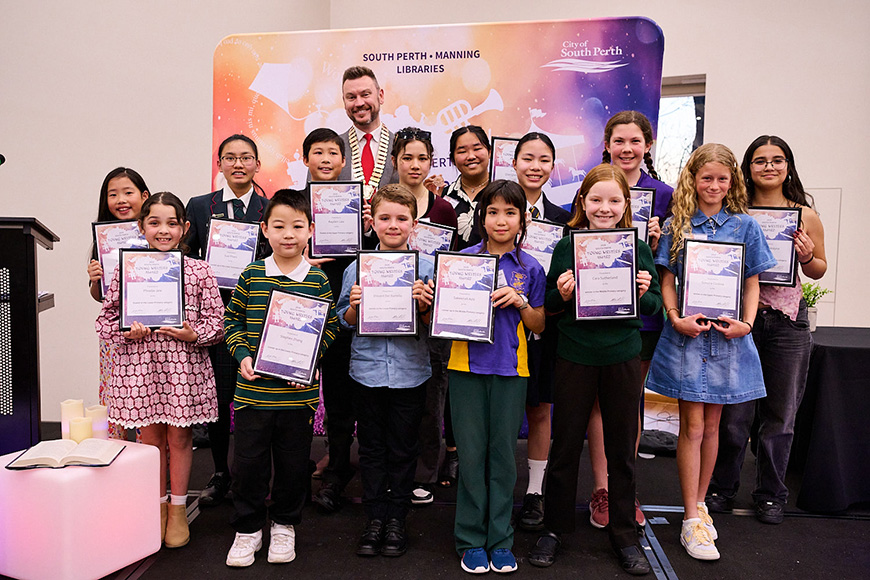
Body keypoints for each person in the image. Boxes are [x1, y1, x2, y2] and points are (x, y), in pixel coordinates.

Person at [645, 143, 776, 560]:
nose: (714, 185)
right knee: (692, 427)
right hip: (688, 337)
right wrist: (672, 315)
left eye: (722, 178)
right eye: (707, 178)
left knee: (714, 425)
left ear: (732, 180)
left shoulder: (745, 227)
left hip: (728, 339)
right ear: (693, 179)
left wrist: (748, 323)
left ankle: (701, 505)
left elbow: (753, 282)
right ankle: (688, 518)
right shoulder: (676, 225)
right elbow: (666, 278)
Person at [527, 164, 660, 576]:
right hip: (575, 355)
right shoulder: (567, 245)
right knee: (565, 445)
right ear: (582, 202)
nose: (605, 208)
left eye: (614, 201)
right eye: (597, 200)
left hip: (621, 355)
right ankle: (555, 528)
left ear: (626, 206)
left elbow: (655, 304)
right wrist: (562, 293)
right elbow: (548, 301)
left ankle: (623, 534)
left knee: (622, 449)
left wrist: (642, 290)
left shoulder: (636, 247)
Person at [708, 136, 827, 524]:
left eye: (777, 160)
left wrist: (808, 256)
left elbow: (819, 268)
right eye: (760, 161)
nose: (769, 167)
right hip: (742, 317)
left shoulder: (804, 214)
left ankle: (771, 495)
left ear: (788, 167)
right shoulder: (734, 211)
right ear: (749, 167)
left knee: (780, 416)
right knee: (735, 416)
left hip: (788, 322)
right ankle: (722, 489)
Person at [96, 192, 224, 548]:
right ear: (141, 226)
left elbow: (218, 323)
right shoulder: (127, 268)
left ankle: (180, 509)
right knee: (150, 440)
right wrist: (126, 329)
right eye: (154, 222)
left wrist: (193, 332)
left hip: (183, 367)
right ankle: (157, 507)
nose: (163, 230)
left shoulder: (200, 270)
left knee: (180, 438)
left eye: (172, 223)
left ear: (184, 227)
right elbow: (105, 319)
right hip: (141, 368)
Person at [223, 189, 339, 567]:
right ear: (264, 229)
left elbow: (331, 328)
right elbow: (232, 323)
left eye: (297, 226)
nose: (288, 234)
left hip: (296, 397)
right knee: (249, 465)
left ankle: (285, 525)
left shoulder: (317, 280)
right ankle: (248, 529)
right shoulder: (252, 275)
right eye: (279, 226)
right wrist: (241, 355)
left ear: (310, 231)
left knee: (292, 466)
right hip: (253, 395)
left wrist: (308, 362)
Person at [449, 180, 546, 574]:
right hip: (465, 367)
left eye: (510, 212)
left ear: (522, 219)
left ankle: (501, 538)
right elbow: (444, 317)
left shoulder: (531, 267)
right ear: (481, 217)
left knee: (504, 457)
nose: (501, 220)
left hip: (511, 368)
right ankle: (471, 539)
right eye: (492, 212)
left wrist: (520, 301)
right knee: (471, 456)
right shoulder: (461, 260)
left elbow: (539, 324)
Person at [336, 184, 436, 558]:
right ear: (372, 221)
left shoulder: (426, 268)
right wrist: (355, 307)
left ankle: (397, 517)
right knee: (372, 447)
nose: (393, 225)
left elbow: (436, 325)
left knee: (403, 447)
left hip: (411, 372)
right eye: (385, 218)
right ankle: (375, 516)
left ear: (414, 223)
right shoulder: (356, 267)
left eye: (401, 219)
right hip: (367, 371)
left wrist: (425, 307)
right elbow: (342, 320)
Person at [587, 111, 674, 529]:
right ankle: (602, 490)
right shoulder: (592, 188)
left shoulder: (666, 195)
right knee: (600, 404)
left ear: (648, 145)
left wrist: (656, 244)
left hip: (641, 316)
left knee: (628, 402)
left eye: (635, 141)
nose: (627, 148)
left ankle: (626, 488)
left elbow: (676, 260)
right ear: (607, 144)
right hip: (595, 314)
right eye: (619, 140)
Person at [185, 134, 272, 508]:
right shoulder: (200, 207)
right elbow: (184, 255)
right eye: (231, 158)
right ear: (219, 164)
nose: (239, 164)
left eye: (246, 158)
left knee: (258, 400)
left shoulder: (270, 209)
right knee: (220, 399)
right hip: (216, 318)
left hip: (259, 318)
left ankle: (256, 474)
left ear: (257, 165)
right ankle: (221, 471)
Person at [387, 127, 458, 505]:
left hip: (432, 321)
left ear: (432, 162)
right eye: (407, 157)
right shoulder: (381, 203)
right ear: (395, 160)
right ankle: (387, 469)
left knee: (432, 395)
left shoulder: (443, 208)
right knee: (391, 398)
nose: (415, 165)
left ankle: (424, 472)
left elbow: (453, 265)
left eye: (423, 158)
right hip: (387, 320)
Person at [509, 132, 570, 532]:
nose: (535, 166)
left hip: (547, 324)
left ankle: (534, 492)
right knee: (501, 407)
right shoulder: (499, 208)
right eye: (527, 157)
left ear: (552, 166)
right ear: (513, 162)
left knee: (539, 408)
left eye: (544, 159)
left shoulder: (565, 220)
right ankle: (494, 487)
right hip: (501, 327)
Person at [299, 127, 361, 514]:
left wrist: (366, 228)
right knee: (296, 396)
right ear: (305, 159)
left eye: (332, 153)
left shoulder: (358, 204)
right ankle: (295, 466)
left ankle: (338, 469)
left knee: (339, 399)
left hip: (341, 313)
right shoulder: (290, 204)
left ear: (343, 161)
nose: (325, 159)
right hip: (299, 310)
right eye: (317, 152)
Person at [438, 125, 493, 489]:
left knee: (489, 376)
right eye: (461, 150)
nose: (470, 155)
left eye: (477, 148)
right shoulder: (443, 198)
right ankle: (455, 451)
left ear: (489, 151)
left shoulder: (503, 194)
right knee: (453, 375)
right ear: (452, 156)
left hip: (494, 295)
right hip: (453, 298)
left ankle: (487, 452)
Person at [87, 167, 150, 440]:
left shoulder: (158, 235)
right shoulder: (104, 239)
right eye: (113, 194)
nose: (121, 200)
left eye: (128, 192)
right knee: (116, 395)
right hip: (115, 333)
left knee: (148, 394)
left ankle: (152, 462)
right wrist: (94, 280)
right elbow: (100, 295)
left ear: (144, 196)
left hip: (151, 330)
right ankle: (116, 456)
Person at [337, 66, 398, 198]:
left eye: (365, 94)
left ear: (380, 96)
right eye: (351, 97)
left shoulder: (401, 147)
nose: (359, 103)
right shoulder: (331, 149)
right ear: (344, 102)